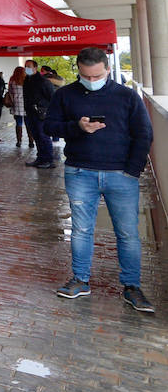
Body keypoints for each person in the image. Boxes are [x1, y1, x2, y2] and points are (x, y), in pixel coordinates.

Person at [46, 48, 155, 313]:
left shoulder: (127, 96)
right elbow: (50, 127)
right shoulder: (65, 95)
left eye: (96, 75)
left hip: (121, 175)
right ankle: (80, 280)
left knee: (128, 233)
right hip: (80, 172)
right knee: (81, 231)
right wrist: (77, 127)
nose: (91, 80)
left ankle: (132, 287)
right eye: (86, 75)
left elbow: (144, 134)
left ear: (107, 69)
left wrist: (132, 170)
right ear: (78, 71)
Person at [22, 59, 56, 168]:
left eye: (29, 66)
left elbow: (52, 97)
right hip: (30, 113)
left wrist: (43, 108)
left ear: (35, 68)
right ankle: (40, 158)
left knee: (43, 136)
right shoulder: (27, 80)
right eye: (25, 66)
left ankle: (48, 160)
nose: (27, 68)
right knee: (36, 136)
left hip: (41, 114)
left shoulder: (43, 81)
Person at [8, 66, 28, 148]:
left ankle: (19, 141)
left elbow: (9, 92)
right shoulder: (27, 80)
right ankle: (31, 141)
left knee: (18, 123)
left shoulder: (12, 80)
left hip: (16, 104)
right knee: (28, 123)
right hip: (26, 104)